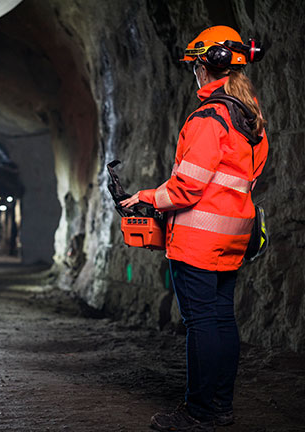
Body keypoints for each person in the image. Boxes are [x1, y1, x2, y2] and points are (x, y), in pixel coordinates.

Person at [120, 26, 268, 432]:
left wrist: (149, 197)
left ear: (207, 65)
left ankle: (200, 411)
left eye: (195, 65)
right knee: (222, 320)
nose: (194, 72)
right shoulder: (251, 118)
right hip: (234, 238)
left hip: (198, 242)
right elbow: (244, 181)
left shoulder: (209, 118)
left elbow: (187, 187)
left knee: (201, 323)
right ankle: (220, 406)